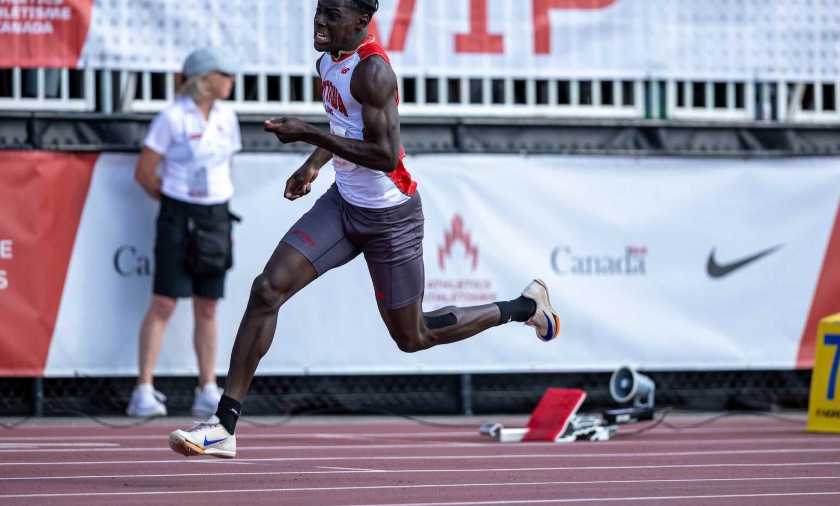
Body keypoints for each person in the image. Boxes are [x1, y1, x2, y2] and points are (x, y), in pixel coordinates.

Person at [168, 0, 560, 458]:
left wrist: (311, 136)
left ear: (360, 22)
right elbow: (346, 124)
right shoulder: (328, 59)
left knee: (413, 338)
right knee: (266, 290)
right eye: (318, 11)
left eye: (331, 15)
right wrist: (314, 165)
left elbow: (386, 155)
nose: (319, 21)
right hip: (343, 206)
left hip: (390, 218)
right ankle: (224, 425)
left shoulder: (373, 72)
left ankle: (522, 306)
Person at [128, 48, 242, 418]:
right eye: (225, 74)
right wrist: (176, 202)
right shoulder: (171, 117)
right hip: (178, 213)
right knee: (164, 302)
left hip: (217, 215)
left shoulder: (228, 115)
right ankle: (143, 389)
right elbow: (145, 173)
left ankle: (207, 387)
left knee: (208, 305)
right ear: (204, 78)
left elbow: (228, 164)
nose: (231, 81)